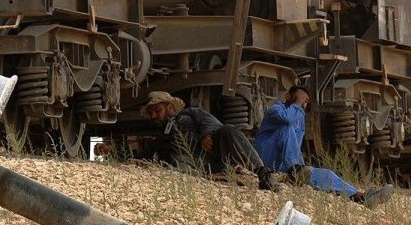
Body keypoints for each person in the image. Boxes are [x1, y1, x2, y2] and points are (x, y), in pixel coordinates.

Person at [253, 85, 393, 208]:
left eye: (305, 102)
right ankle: (296, 171)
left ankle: (360, 196)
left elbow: (294, 147)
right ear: (288, 97)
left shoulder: (299, 118)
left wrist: (304, 171)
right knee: (287, 128)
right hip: (264, 156)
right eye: (300, 99)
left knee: (325, 174)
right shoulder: (276, 109)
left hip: (284, 165)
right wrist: (297, 104)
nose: (303, 105)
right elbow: (287, 120)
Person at [138, 91, 281, 192]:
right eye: (151, 113)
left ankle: (264, 174)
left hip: (212, 156)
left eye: (157, 110)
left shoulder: (190, 113)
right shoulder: (161, 135)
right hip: (193, 168)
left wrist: (206, 135)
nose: (154, 115)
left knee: (228, 130)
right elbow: (149, 152)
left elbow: (210, 122)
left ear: (169, 106)